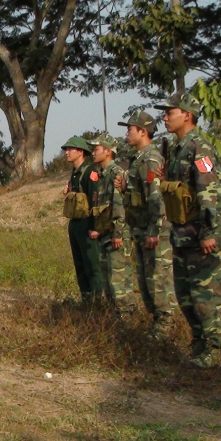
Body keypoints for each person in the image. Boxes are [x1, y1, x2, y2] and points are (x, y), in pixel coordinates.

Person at [157, 94, 221, 368]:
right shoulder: (176, 149)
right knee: (186, 295)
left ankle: (216, 347)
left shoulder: (200, 147)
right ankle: (199, 343)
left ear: (187, 114)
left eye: (170, 112)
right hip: (181, 235)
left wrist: (209, 232)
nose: (165, 117)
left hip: (200, 237)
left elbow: (209, 192)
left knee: (206, 294)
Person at [116, 110, 176, 336]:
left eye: (130, 129)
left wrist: (155, 229)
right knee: (145, 280)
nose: (127, 133)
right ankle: (156, 323)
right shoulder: (137, 159)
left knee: (158, 279)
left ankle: (165, 326)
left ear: (143, 132)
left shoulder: (150, 158)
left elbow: (156, 197)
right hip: (140, 228)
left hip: (153, 231)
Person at [87, 132, 137, 315]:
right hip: (104, 235)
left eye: (96, 149)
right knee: (108, 281)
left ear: (108, 151)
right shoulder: (101, 175)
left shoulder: (116, 174)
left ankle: (127, 316)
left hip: (116, 236)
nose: (93, 153)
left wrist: (118, 233)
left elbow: (119, 206)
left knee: (119, 281)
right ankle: (114, 316)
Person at [61, 136, 103, 301]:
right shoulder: (75, 173)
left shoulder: (90, 172)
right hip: (75, 222)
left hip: (87, 223)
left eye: (70, 149)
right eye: (66, 149)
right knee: (80, 263)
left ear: (80, 152)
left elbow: (95, 201)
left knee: (92, 264)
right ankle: (86, 299)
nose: (66, 152)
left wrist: (95, 227)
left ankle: (98, 300)